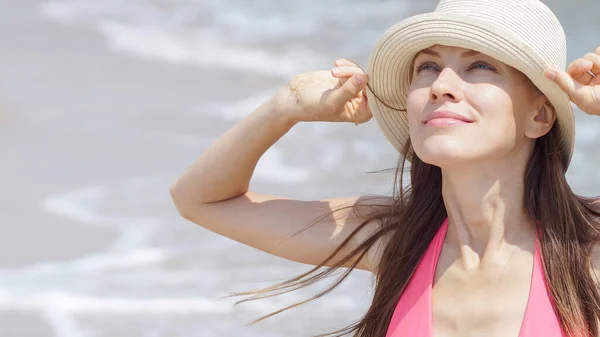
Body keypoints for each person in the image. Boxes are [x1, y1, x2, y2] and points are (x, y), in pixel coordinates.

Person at [170, 0, 600, 336]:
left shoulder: (588, 254)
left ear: (539, 116)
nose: (441, 87)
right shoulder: (395, 241)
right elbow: (200, 201)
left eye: (480, 66)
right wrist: (285, 108)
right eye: (428, 66)